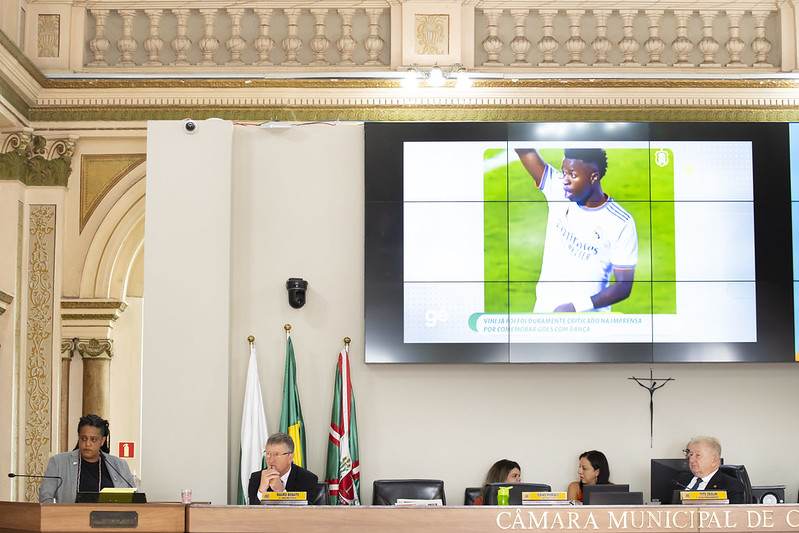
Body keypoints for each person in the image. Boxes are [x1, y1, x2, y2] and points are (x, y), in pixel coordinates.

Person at [515, 147, 637, 313]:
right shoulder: (558, 190)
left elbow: (623, 286)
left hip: (590, 323)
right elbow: (525, 151)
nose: (565, 180)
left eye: (572, 175)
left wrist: (576, 307)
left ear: (593, 177)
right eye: (563, 172)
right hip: (544, 316)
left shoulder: (621, 222)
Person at [38, 413, 135, 503]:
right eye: (83, 438)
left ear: (102, 440)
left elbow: (135, 499)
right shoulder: (59, 462)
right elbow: (45, 497)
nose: (87, 444)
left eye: (93, 439)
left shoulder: (119, 465)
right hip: (70, 520)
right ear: (78, 437)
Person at [247, 432, 319, 505]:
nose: (271, 460)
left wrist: (281, 492)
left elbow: (306, 514)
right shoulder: (256, 478)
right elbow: (251, 514)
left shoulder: (307, 479)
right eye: (268, 454)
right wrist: (261, 491)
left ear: (290, 457)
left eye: (277, 454)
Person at [677, 436, 745, 504]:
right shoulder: (680, 480)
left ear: (714, 460)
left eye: (698, 455)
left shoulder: (731, 486)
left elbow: (733, 514)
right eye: (691, 454)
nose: (691, 460)